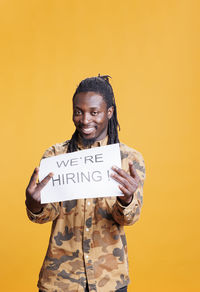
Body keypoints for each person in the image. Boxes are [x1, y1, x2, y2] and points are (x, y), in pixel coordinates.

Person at [25, 75, 145, 292]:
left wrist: (127, 200)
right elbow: (48, 214)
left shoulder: (129, 159)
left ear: (109, 112)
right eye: (78, 111)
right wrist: (35, 205)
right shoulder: (56, 156)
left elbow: (129, 218)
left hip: (109, 279)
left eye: (94, 112)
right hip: (60, 281)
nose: (85, 119)